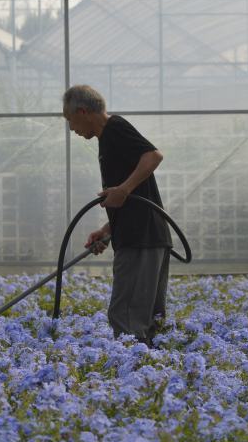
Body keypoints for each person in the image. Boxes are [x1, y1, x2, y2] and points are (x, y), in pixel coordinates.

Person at [62, 84, 172, 346]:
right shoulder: (108, 139)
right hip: (144, 236)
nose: (71, 128)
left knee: (126, 319)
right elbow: (131, 198)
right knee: (149, 319)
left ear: (83, 112)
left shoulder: (115, 128)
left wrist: (123, 189)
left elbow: (153, 156)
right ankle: (150, 366)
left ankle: (133, 367)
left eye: (70, 119)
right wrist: (107, 230)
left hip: (140, 240)